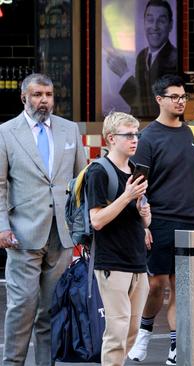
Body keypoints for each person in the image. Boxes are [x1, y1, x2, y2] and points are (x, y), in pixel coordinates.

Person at [128, 75, 194, 365]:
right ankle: (144, 332)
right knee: (156, 285)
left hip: (193, 222)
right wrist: (143, 224)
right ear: (159, 100)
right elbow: (138, 185)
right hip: (160, 221)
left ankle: (175, 348)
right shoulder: (148, 137)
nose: (180, 101)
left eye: (183, 97)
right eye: (174, 97)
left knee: (184, 288)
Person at [0, 73, 86, 366]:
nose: (44, 100)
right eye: (37, 95)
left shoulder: (69, 130)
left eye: (48, 95)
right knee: (22, 306)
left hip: (61, 234)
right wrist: (2, 226)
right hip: (22, 233)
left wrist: (82, 227)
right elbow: (0, 184)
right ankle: (12, 363)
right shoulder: (6, 132)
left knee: (52, 309)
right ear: (24, 97)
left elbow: (80, 181)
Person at [86, 112, 151, 366]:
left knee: (132, 330)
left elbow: (144, 220)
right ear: (111, 138)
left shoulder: (136, 170)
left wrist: (145, 213)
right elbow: (97, 220)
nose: (135, 139)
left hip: (137, 260)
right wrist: (127, 196)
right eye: (128, 135)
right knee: (117, 331)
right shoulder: (99, 172)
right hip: (112, 262)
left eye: (137, 134)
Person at [106, 0, 178, 117]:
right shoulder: (142, 56)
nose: (154, 27)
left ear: (170, 25)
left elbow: (149, 105)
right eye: (150, 20)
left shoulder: (173, 59)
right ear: (144, 23)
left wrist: (123, 73)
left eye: (161, 21)